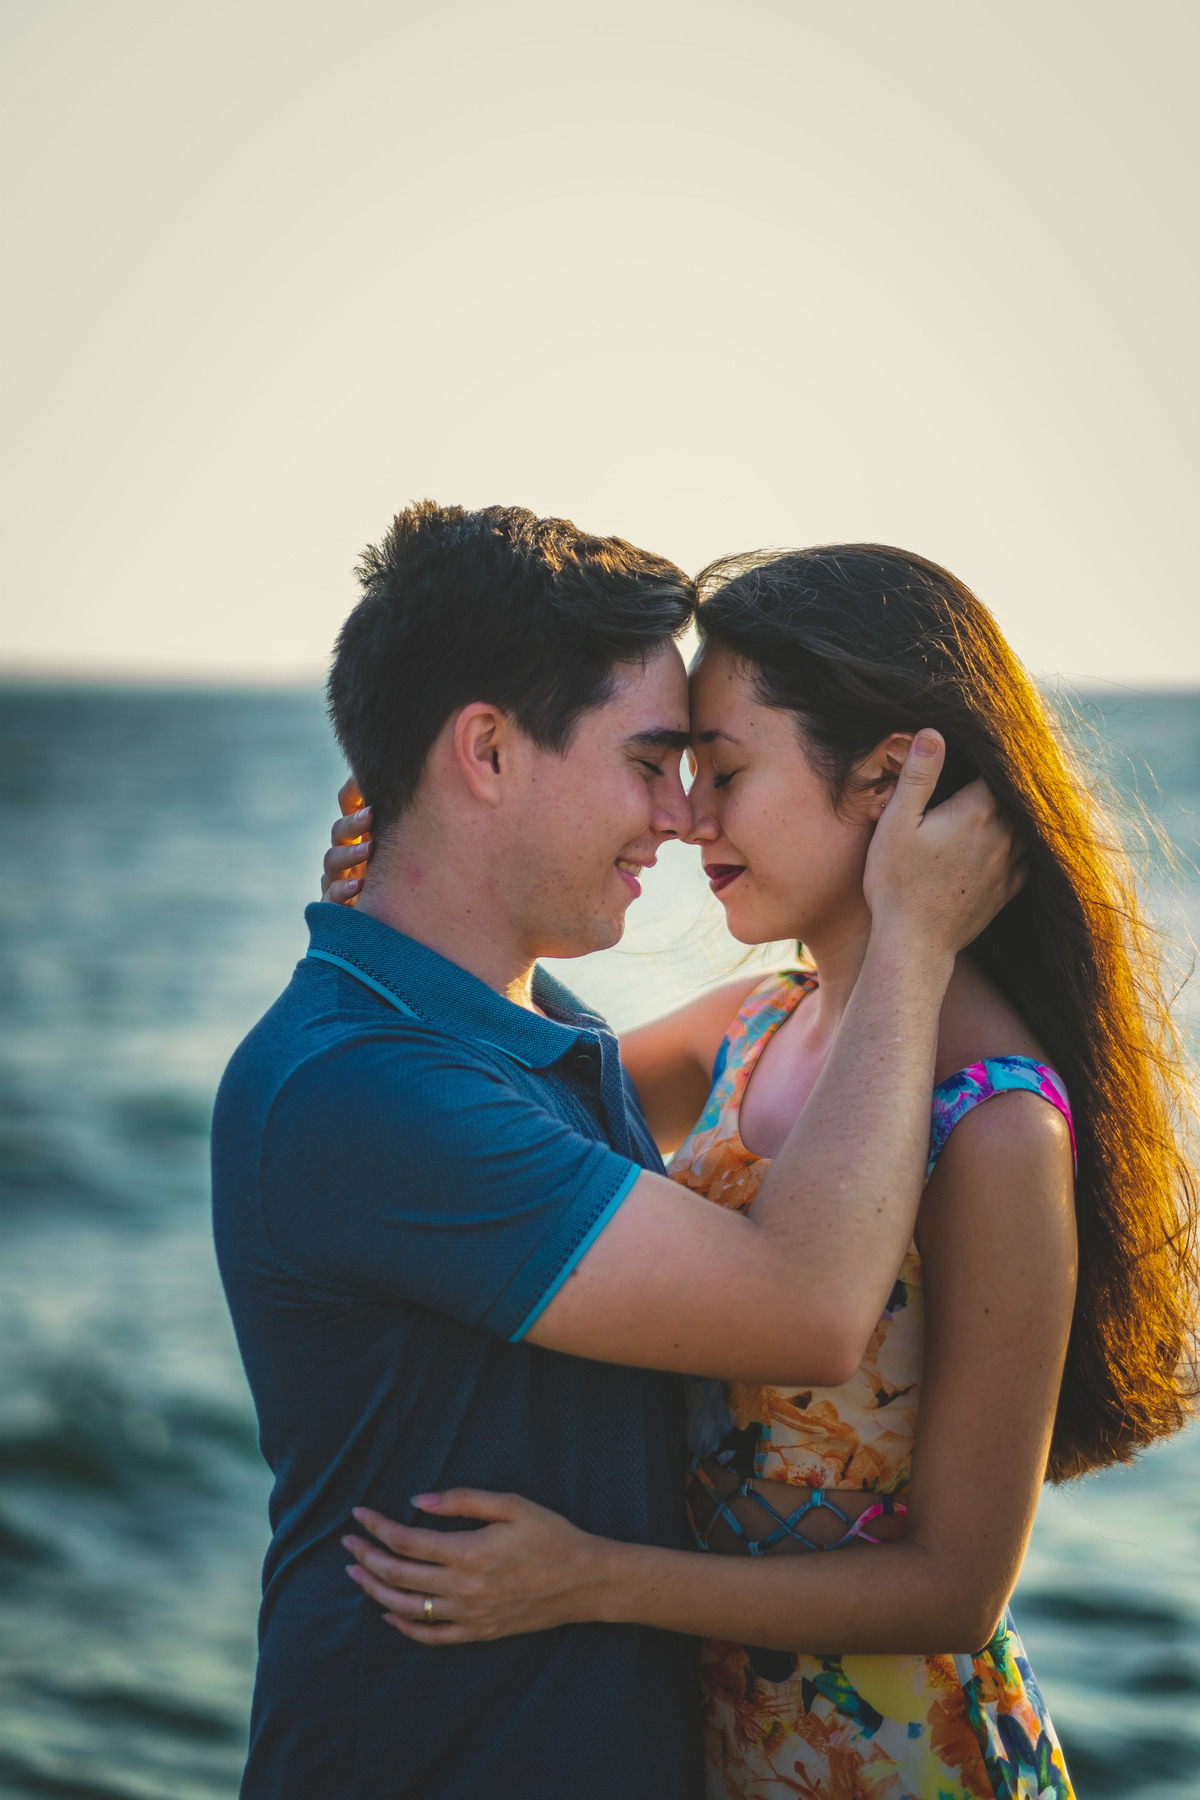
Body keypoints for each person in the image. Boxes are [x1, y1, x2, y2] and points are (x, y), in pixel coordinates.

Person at [333, 544, 1199, 1800]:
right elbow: (506, 1110)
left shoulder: (998, 1127)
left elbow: (957, 1587)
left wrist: (593, 1578)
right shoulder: (754, 1021)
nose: (686, 817)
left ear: (895, 782)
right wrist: (402, 917)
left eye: (725, 773)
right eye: (676, 772)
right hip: (720, 1746)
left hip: (904, 1768)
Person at [212, 505, 1021, 1800]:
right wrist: (911, 937)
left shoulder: (537, 1034)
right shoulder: (363, 1088)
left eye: (703, 767)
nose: (678, 816)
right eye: (649, 761)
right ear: (484, 750)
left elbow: (805, 1090)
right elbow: (805, 1305)